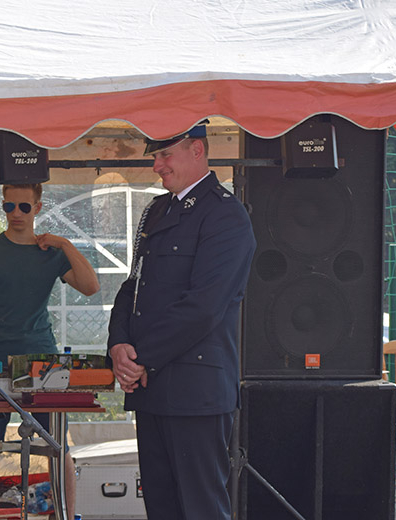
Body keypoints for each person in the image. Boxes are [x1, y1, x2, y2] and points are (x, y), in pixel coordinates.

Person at [107, 122, 256, 519]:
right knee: (162, 506)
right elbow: (133, 285)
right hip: (152, 386)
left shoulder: (226, 215)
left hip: (195, 390)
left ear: (197, 150)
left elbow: (204, 306)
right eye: (155, 156)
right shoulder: (157, 210)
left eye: (164, 154)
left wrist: (140, 358)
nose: (157, 165)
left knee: (201, 508)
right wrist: (118, 344)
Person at [0, 183, 100, 520]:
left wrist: (65, 243)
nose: (16, 214)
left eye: (24, 207)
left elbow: (90, 287)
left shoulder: (52, 253)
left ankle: (67, 515)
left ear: (38, 208)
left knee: (58, 447)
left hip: (40, 360)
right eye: (9, 206)